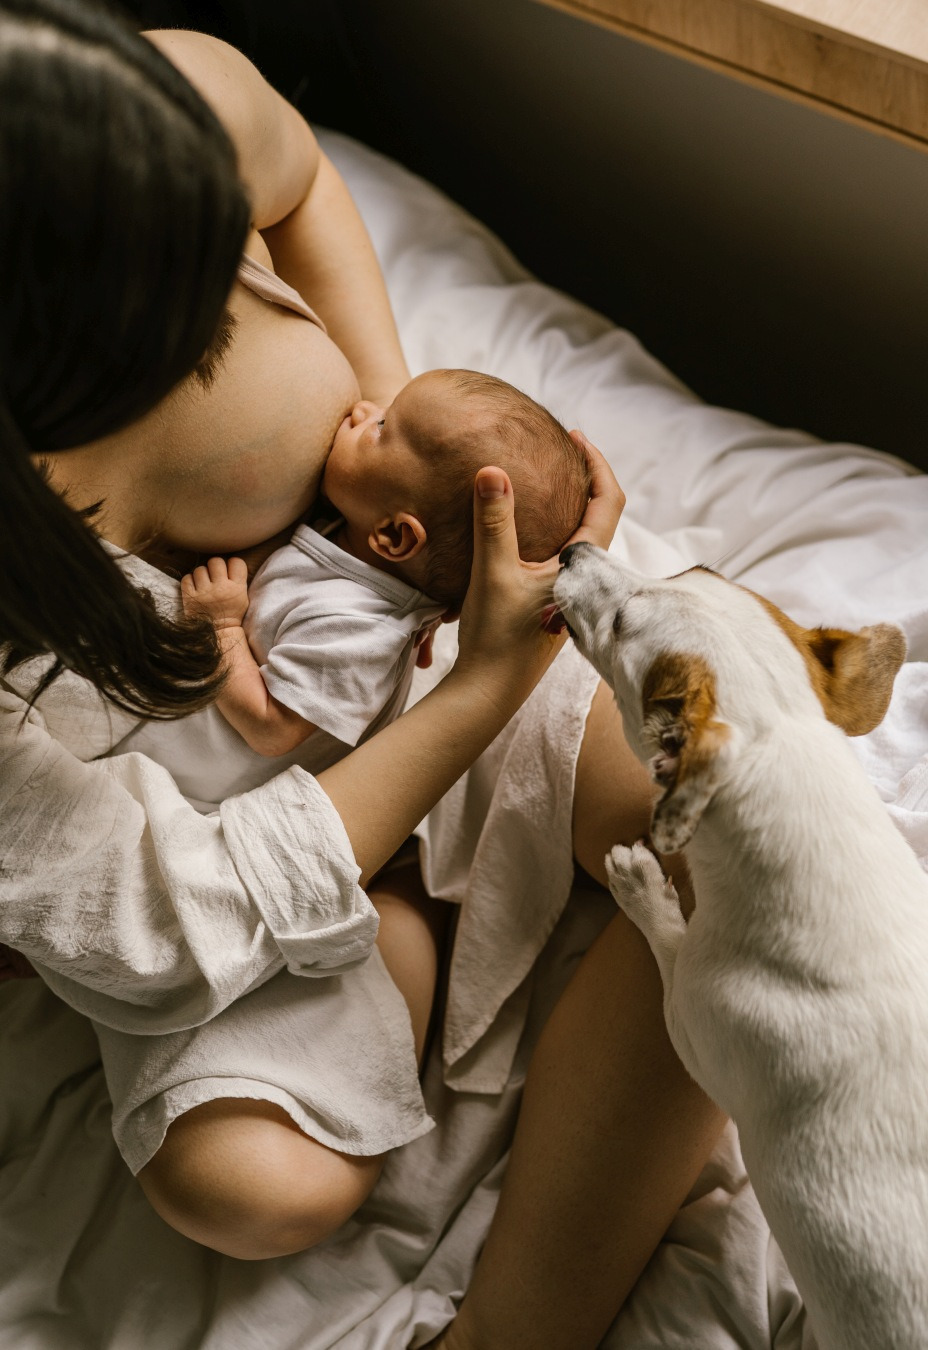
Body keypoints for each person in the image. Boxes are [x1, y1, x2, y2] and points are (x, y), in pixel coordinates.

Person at [0, 8, 725, 1350]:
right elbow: (164, 909)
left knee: (722, 823)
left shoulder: (155, 110)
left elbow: (300, 178)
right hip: (201, 805)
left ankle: (513, 1333)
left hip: (423, 628)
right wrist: (475, 694)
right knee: (245, 1188)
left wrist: (434, 501)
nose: (236, 289)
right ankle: (396, 920)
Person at [119, 367, 590, 809]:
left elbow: (272, 728)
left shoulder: (358, 632)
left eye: (381, 428)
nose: (362, 409)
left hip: (193, 785)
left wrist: (220, 626)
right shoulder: (353, 543)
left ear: (394, 536)